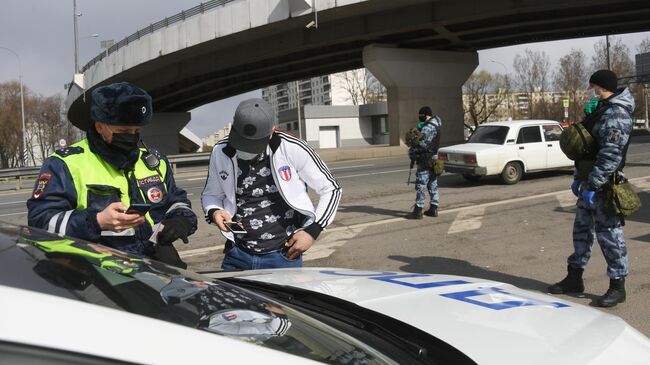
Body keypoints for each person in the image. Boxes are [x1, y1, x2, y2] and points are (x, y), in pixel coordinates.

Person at [27, 82, 197, 268]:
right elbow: (40, 223)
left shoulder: (153, 162)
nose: (132, 137)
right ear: (100, 127)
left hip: (157, 270)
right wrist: (96, 221)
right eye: (123, 131)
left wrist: (180, 221)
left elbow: (177, 202)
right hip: (100, 277)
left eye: (137, 131)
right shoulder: (65, 164)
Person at [201, 98, 341, 270]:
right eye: (242, 142)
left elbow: (331, 188)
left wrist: (313, 231)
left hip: (283, 255)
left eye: (253, 145)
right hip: (237, 254)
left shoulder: (292, 148)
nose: (246, 149)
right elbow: (211, 194)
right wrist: (215, 212)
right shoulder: (220, 151)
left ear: (271, 132)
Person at [548, 70, 634, 307]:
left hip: (605, 184)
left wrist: (595, 184)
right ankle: (574, 278)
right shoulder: (601, 110)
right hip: (590, 181)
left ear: (602, 87)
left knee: (610, 235)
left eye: (594, 86)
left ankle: (618, 286)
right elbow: (586, 149)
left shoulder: (617, 114)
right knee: (582, 231)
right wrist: (579, 178)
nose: (591, 91)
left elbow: (611, 154)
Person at [406, 106, 442, 219]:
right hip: (434, 157)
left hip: (425, 158)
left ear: (427, 115)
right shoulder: (436, 123)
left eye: (421, 116)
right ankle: (434, 208)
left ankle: (418, 210)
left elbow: (422, 144)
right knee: (432, 183)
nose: (419, 118)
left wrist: (412, 148)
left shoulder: (428, 127)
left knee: (421, 184)